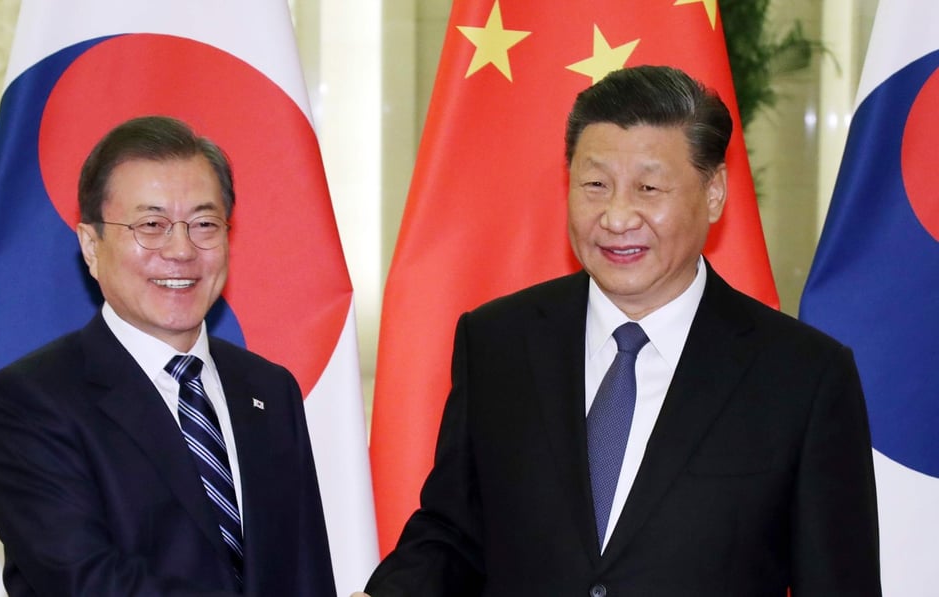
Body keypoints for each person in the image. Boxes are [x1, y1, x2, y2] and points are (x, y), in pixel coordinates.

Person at [357, 66, 881, 596]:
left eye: (648, 188)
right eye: (595, 185)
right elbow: (453, 536)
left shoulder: (803, 377)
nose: (616, 216)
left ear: (714, 192)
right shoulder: (498, 343)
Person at [0, 115, 334, 596]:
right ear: (91, 245)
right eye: (151, 225)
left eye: (204, 224)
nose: (182, 250)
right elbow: (87, 583)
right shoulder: (31, 401)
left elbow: (306, 570)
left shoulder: (269, 389)